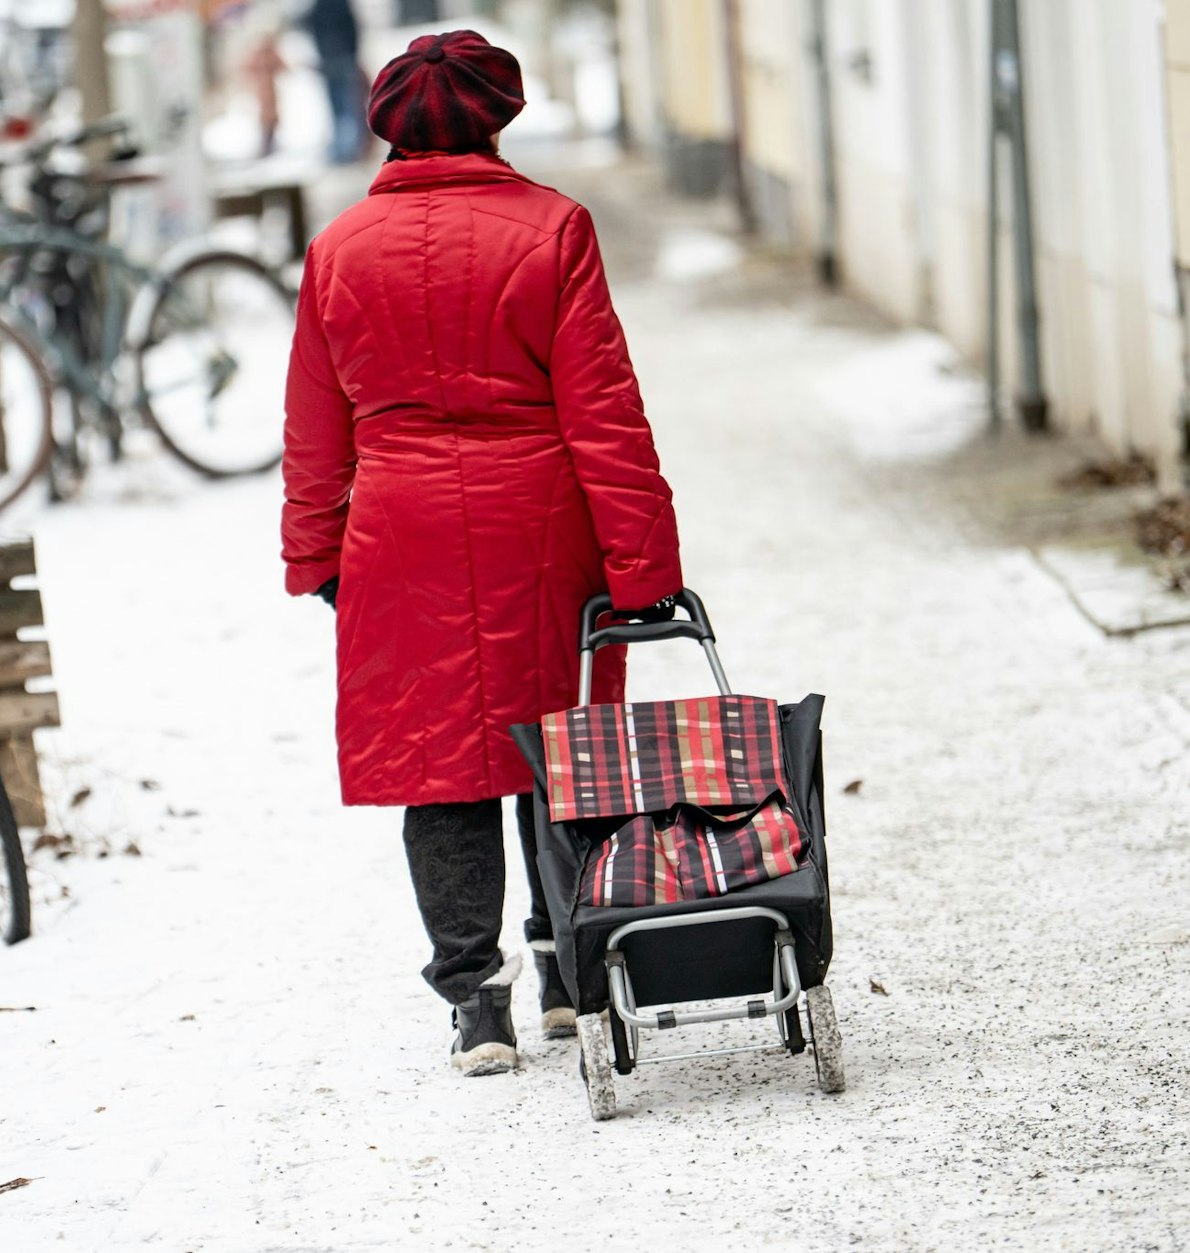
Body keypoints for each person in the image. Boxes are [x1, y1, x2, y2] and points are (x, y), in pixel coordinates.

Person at [280, 30, 682, 1077]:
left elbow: (314, 425)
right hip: (536, 524)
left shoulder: (336, 251)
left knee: (436, 762)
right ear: (497, 115)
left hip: (398, 527)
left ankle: (472, 1000)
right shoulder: (553, 230)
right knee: (555, 752)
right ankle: (565, 969)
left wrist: (316, 552)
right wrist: (641, 564)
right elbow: (602, 411)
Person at [305, 0, 367, 163]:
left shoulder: (319, 6)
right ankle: (347, 149)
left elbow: (313, 28)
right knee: (346, 104)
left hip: (332, 58)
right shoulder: (339, 4)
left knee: (341, 105)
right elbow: (352, 28)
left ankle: (346, 149)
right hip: (341, 57)